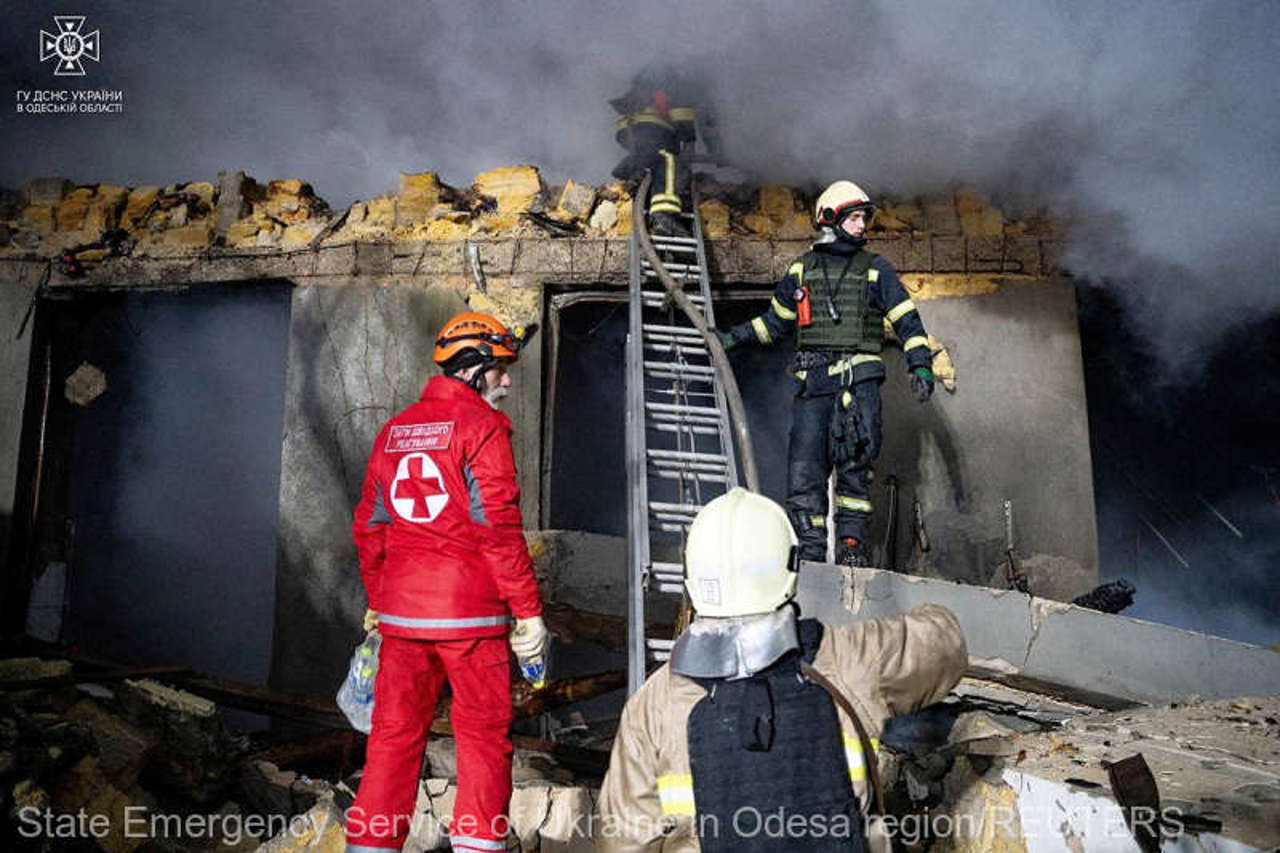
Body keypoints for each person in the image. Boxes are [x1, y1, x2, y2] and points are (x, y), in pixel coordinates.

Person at [597, 488, 967, 851]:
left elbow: (621, 843)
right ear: (789, 569)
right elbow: (946, 642)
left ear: (694, 582)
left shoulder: (653, 706)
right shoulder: (849, 658)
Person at [345, 311, 548, 853]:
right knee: (482, 740)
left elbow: (369, 528)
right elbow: (497, 530)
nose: (507, 381)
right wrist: (528, 613)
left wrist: (378, 599)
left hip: (403, 619)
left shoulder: (393, 432)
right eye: (501, 368)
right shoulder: (482, 429)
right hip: (471, 618)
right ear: (475, 368)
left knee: (391, 740)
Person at [714, 180, 936, 567]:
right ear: (830, 218)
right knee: (804, 474)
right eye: (854, 217)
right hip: (813, 389)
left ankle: (851, 549)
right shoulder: (801, 270)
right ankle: (811, 555)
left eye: (864, 218)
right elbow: (776, 322)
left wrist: (920, 363)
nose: (862, 225)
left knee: (855, 475)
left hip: (857, 387)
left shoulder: (875, 270)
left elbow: (906, 320)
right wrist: (734, 337)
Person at [609, 66, 707, 237]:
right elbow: (681, 113)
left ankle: (634, 170)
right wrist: (689, 142)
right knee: (667, 159)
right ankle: (662, 214)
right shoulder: (678, 86)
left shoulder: (646, 83)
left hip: (628, 131)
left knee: (651, 158)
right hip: (651, 127)